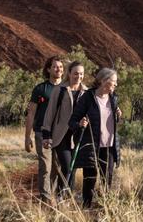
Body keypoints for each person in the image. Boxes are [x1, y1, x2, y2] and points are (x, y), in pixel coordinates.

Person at [69, 67, 122, 207]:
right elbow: (72, 121)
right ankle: (86, 209)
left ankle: (106, 208)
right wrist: (80, 123)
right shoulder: (88, 97)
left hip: (109, 146)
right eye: (114, 82)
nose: (116, 85)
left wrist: (118, 116)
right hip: (92, 146)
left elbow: (112, 122)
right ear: (104, 81)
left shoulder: (113, 98)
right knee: (90, 180)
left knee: (107, 180)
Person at [39, 60, 90, 201]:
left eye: (81, 74)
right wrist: (46, 135)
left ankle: (66, 199)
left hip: (78, 136)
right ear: (69, 73)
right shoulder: (60, 89)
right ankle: (62, 197)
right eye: (75, 74)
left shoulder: (86, 92)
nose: (78, 77)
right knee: (67, 167)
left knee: (72, 169)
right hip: (61, 136)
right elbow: (49, 114)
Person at [25, 55, 64, 203]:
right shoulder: (40, 89)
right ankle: (46, 200)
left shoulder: (67, 88)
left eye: (60, 67)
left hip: (61, 135)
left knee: (57, 167)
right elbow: (31, 114)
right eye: (55, 66)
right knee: (45, 167)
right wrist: (27, 137)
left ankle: (53, 196)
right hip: (42, 133)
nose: (58, 69)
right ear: (48, 69)